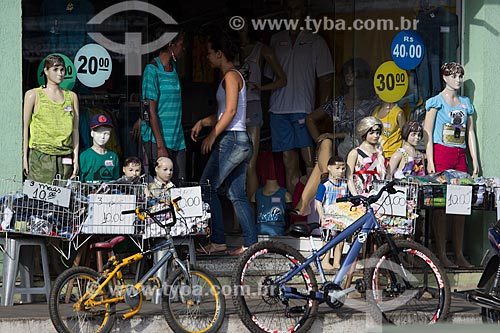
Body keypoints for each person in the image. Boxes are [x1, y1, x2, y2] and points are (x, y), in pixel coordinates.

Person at [191, 29, 257, 256]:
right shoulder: (231, 76)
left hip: (232, 140)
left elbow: (229, 112)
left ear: (219, 53)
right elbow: (226, 113)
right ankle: (251, 244)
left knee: (206, 188)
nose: (207, 57)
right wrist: (204, 121)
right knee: (236, 194)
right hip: (238, 140)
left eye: (209, 53)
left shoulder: (230, 76)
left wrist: (212, 135)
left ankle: (218, 240)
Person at [265, 0, 334, 195]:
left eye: (296, 8)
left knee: (311, 161)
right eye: (288, 8)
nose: (292, 12)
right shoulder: (276, 40)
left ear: (304, 11)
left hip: (303, 108)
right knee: (288, 161)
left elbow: (326, 78)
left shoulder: (316, 41)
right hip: (278, 108)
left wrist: (320, 112)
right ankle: (295, 208)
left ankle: (313, 208)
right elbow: (269, 77)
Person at [293, 58, 378, 215]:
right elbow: (310, 119)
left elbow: (366, 132)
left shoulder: (370, 104)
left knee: (326, 149)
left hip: (356, 147)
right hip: (335, 150)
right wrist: (318, 138)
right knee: (325, 143)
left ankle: (303, 204)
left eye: (353, 73)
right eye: (346, 73)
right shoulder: (337, 102)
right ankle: (326, 178)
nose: (349, 76)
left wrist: (333, 134)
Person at [423, 62, 478, 268]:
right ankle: (441, 253)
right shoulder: (436, 102)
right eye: (453, 75)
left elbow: (470, 132)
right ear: (444, 77)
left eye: (460, 75)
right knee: (442, 206)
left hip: (459, 154)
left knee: (461, 205)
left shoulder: (465, 103)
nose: (458, 79)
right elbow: (427, 133)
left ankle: (459, 253)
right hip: (442, 153)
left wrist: (475, 159)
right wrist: (430, 159)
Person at [238, 14, 287, 201]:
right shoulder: (229, 51)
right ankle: (236, 221)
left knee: (250, 163)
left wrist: (261, 88)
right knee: (235, 164)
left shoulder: (261, 50)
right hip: (233, 107)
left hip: (252, 104)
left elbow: (282, 78)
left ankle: (250, 217)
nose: (240, 30)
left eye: (243, 25)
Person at [132, 31, 186, 184]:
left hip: (177, 137)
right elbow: (151, 110)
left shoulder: (173, 67)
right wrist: (161, 146)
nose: (183, 48)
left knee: (179, 185)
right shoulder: (152, 69)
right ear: (171, 45)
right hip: (159, 139)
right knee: (159, 189)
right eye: (181, 45)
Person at [23, 54, 80, 184]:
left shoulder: (71, 97)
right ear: (46, 71)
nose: (60, 73)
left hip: (65, 156)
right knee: (38, 202)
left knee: (64, 199)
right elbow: (25, 127)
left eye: (62, 69)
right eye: (55, 69)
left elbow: (75, 130)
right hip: (40, 155)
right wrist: (24, 158)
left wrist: (75, 158)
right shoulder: (33, 95)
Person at [315, 156, 349, 269]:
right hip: (328, 217)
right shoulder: (325, 185)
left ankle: (336, 262)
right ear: (329, 168)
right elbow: (318, 202)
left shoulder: (345, 185)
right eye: (337, 168)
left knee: (340, 241)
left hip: (341, 217)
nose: (341, 171)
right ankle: (325, 261)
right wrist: (322, 216)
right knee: (327, 239)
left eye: (343, 168)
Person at [346, 116, 386, 196]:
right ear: (364, 133)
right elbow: (349, 177)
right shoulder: (355, 153)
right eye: (371, 133)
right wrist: (355, 195)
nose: (376, 136)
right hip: (360, 191)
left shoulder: (380, 153)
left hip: (377, 191)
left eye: (377, 133)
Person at [79, 114, 119, 183]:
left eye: (106, 133)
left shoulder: (113, 157)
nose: (102, 137)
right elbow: (80, 180)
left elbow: (116, 180)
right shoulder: (84, 156)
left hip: (109, 192)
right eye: (98, 132)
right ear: (92, 133)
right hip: (88, 192)